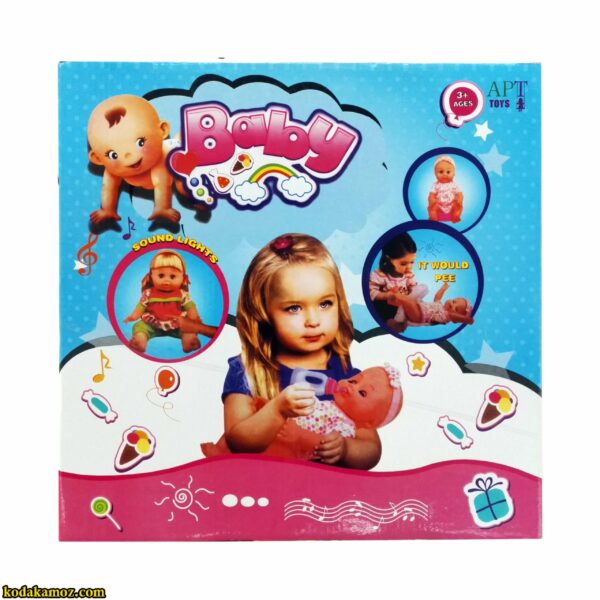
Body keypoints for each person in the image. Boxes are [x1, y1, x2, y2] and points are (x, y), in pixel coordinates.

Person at [206, 233, 381, 469]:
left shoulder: (346, 375)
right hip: (262, 481)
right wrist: (277, 410)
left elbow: (372, 448)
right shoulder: (248, 370)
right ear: (263, 312)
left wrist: (347, 450)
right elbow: (238, 442)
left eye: (325, 304)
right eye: (294, 308)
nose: (313, 320)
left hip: (322, 487)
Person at [87, 95, 181, 224]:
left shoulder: (160, 161)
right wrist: (107, 210)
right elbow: (108, 188)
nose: (129, 157)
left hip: (176, 155)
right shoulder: (112, 170)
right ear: (98, 159)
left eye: (140, 142)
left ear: (162, 130)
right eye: (113, 155)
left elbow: (162, 186)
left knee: (183, 186)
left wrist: (162, 208)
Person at [124, 250, 203, 353]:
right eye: (161, 275)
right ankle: (140, 341)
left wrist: (194, 318)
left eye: (172, 276)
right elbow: (141, 306)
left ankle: (189, 341)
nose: (166, 281)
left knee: (189, 328)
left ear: (183, 278)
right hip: (152, 324)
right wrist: (133, 316)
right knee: (140, 326)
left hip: (177, 324)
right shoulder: (148, 293)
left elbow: (190, 307)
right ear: (151, 276)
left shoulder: (182, 294)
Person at [369, 232, 428, 331]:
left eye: (412, 262)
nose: (409, 267)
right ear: (388, 259)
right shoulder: (380, 275)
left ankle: (419, 317)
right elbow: (371, 292)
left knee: (417, 304)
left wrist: (413, 291)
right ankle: (390, 322)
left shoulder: (408, 274)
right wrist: (387, 295)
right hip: (388, 306)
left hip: (403, 305)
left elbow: (412, 286)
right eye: (403, 264)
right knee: (380, 306)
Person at [388, 281, 474, 325]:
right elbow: (437, 297)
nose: (452, 305)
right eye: (454, 301)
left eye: (456, 309)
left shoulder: (446, 316)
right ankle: (392, 301)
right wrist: (443, 289)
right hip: (418, 306)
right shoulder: (440, 305)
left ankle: (396, 293)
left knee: (410, 302)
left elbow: (453, 316)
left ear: (456, 319)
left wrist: (467, 320)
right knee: (422, 289)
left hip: (419, 316)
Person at [427, 155, 463, 223]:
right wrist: (432, 200)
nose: (444, 174)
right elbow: (431, 194)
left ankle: (455, 216)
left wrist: (459, 199)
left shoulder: (454, 185)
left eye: (448, 172)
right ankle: (434, 219)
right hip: (439, 204)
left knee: (457, 207)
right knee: (432, 209)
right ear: (435, 173)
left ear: (454, 173)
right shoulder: (435, 185)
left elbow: (459, 193)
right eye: (441, 172)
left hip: (452, 204)